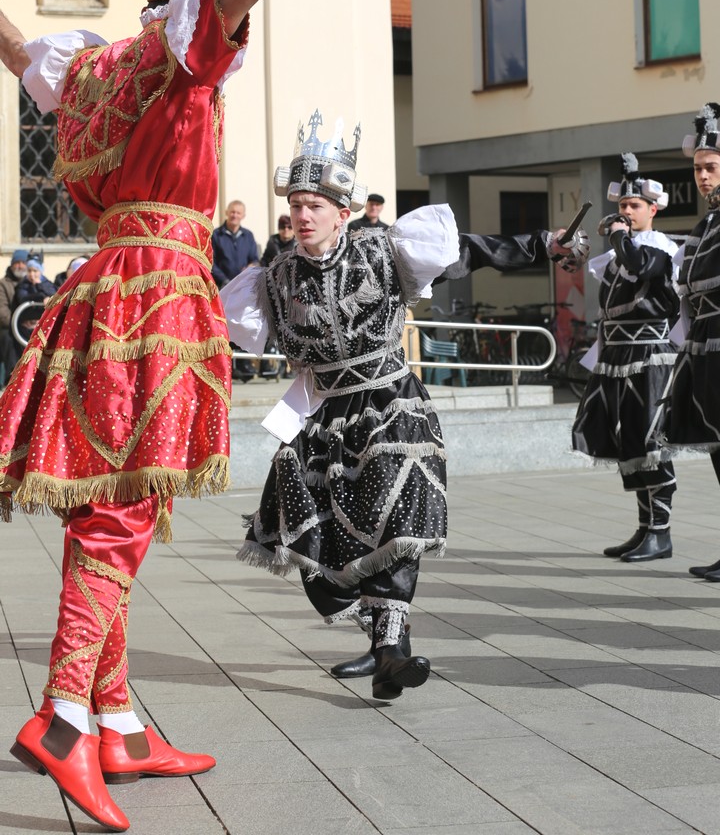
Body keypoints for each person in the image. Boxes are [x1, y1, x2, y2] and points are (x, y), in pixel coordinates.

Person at [0, 0, 352, 832]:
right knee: (122, 510)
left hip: (99, 288)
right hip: (157, 291)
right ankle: (64, 718)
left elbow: (18, 52)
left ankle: (116, 718)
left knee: (112, 498)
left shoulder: (90, 71)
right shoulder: (180, 56)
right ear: (194, 3)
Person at [220, 111, 589, 700]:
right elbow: (210, 324)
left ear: (343, 211)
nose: (303, 214)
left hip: (391, 402)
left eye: (315, 205)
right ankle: (383, 646)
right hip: (322, 414)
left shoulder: (384, 249)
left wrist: (542, 242)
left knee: (398, 510)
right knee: (326, 536)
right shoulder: (273, 277)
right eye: (296, 204)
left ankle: (392, 651)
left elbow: (468, 251)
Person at [572, 154, 679, 562]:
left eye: (634, 206)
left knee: (651, 442)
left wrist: (619, 236)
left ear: (653, 210)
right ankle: (645, 527)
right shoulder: (619, 257)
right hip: (617, 357)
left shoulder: (659, 250)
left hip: (650, 357)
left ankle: (661, 532)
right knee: (629, 442)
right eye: (622, 206)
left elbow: (640, 265)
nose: (627, 212)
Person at [664, 105, 720, 581]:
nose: (703, 176)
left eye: (711, 167)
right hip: (705, 349)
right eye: (698, 168)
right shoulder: (706, 225)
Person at [211, 200, 259, 287]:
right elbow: (211, 262)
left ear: (243, 216)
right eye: (232, 212)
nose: (235, 215)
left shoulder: (248, 235)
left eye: (238, 213)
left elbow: (255, 260)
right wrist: (224, 280)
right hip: (221, 286)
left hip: (243, 285)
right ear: (226, 213)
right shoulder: (216, 235)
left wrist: (250, 268)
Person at [0, 249, 28, 386]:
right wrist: (20, 324)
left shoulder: (34, 281)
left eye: (23, 262)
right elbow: (2, 312)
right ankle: (11, 379)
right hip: (11, 326)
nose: (20, 266)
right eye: (17, 262)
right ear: (12, 264)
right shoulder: (3, 284)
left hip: (32, 326)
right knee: (8, 338)